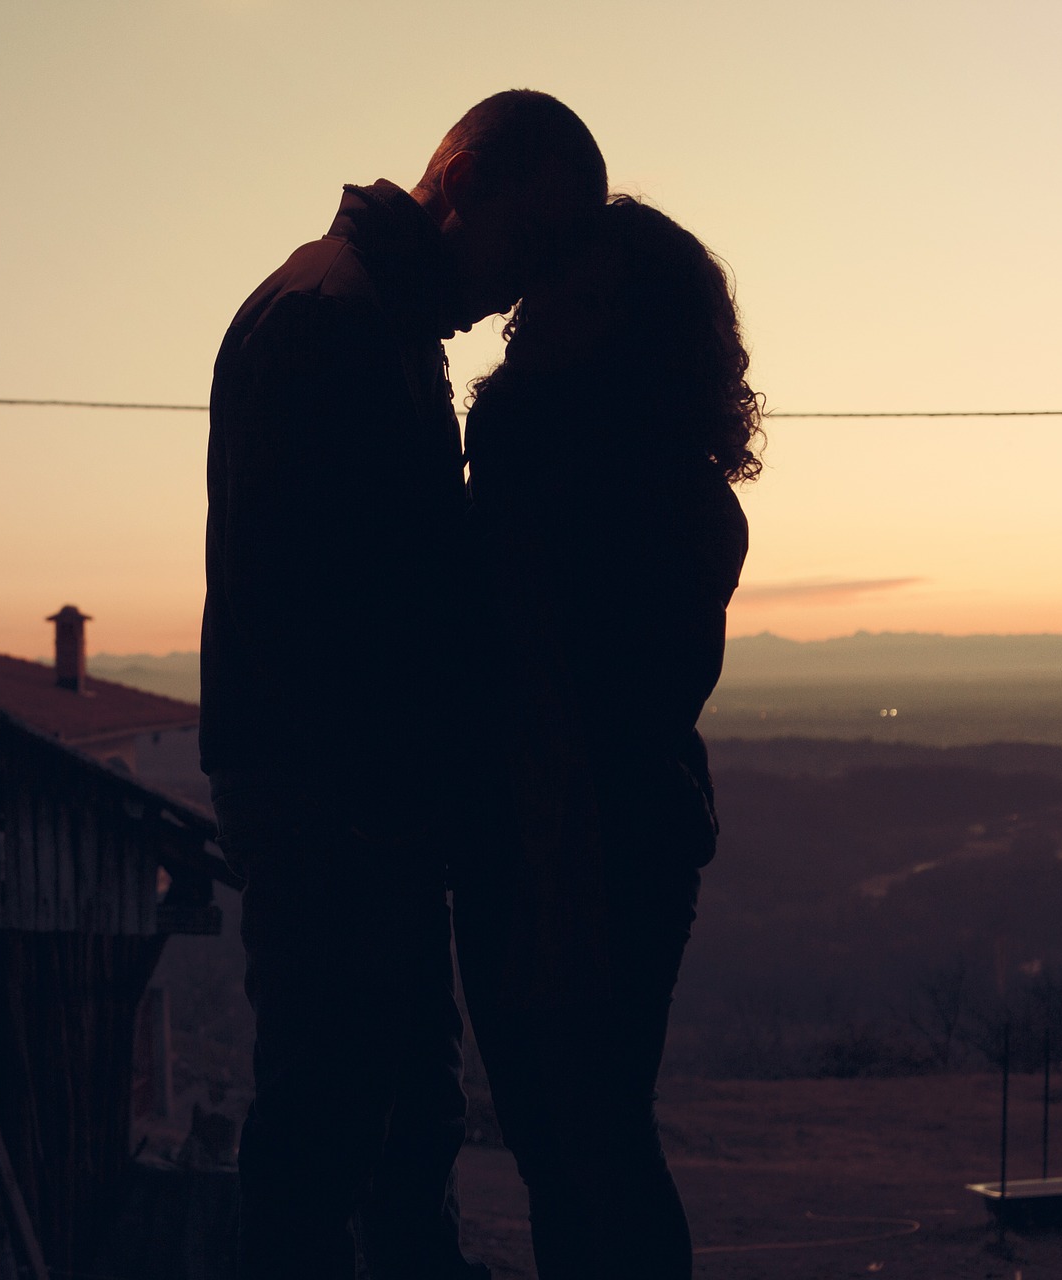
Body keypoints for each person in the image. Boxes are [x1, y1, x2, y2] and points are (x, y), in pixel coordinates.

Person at [199, 91, 607, 1279]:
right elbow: (353, 608)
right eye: (524, 243)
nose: (518, 286)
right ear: (462, 178)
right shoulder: (339, 327)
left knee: (381, 1112)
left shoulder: (343, 306)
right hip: (337, 804)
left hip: (339, 799)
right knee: (334, 1119)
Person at [455, 195, 763, 1279]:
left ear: (630, 328)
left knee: (589, 1141)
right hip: (556, 843)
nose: (537, 312)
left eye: (579, 295)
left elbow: (585, 684)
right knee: (570, 1144)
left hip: (596, 849)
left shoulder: (623, 483)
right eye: (547, 288)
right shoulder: (569, 463)